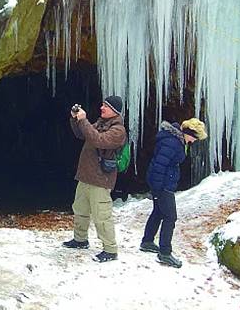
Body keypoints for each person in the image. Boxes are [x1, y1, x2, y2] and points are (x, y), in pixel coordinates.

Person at [62, 96, 127, 262]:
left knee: (102, 215)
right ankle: (80, 239)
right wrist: (75, 119)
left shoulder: (118, 131)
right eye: (103, 104)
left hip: (100, 179)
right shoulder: (100, 123)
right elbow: (81, 134)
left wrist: (84, 121)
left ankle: (110, 250)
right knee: (80, 210)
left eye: (105, 106)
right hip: (85, 176)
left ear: (114, 111)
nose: (101, 108)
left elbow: (98, 140)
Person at [140, 117, 207, 268]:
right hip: (163, 184)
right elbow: (160, 165)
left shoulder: (176, 140)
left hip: (162, 182)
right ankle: (165, 253)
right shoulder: (173, 143)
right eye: (195, 138)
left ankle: (147, 241)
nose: (194, 141)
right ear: (190, 133)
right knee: (170, 217)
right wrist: (157, 189)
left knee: (158, 211)